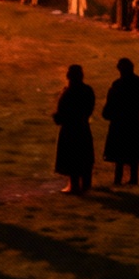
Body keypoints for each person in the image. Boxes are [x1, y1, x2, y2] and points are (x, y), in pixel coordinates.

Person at [100, 58, 139, 186]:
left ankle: (118, 179)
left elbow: (110, 103)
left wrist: (108, 113)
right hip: (132, 119)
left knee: (119, 152)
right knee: (133, 150)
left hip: (119, 121)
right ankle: (133, 178)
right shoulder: (138, 82)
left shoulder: (117, 84)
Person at [51, 64, 95, 195]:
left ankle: (74, 186)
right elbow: (89, 108)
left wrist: (58, 117)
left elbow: (64, 111)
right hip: (83, 126)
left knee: (72, 156)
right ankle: (86, 185)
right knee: (84, 156)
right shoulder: (87, 90)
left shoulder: (69, 92)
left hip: (70, 128)